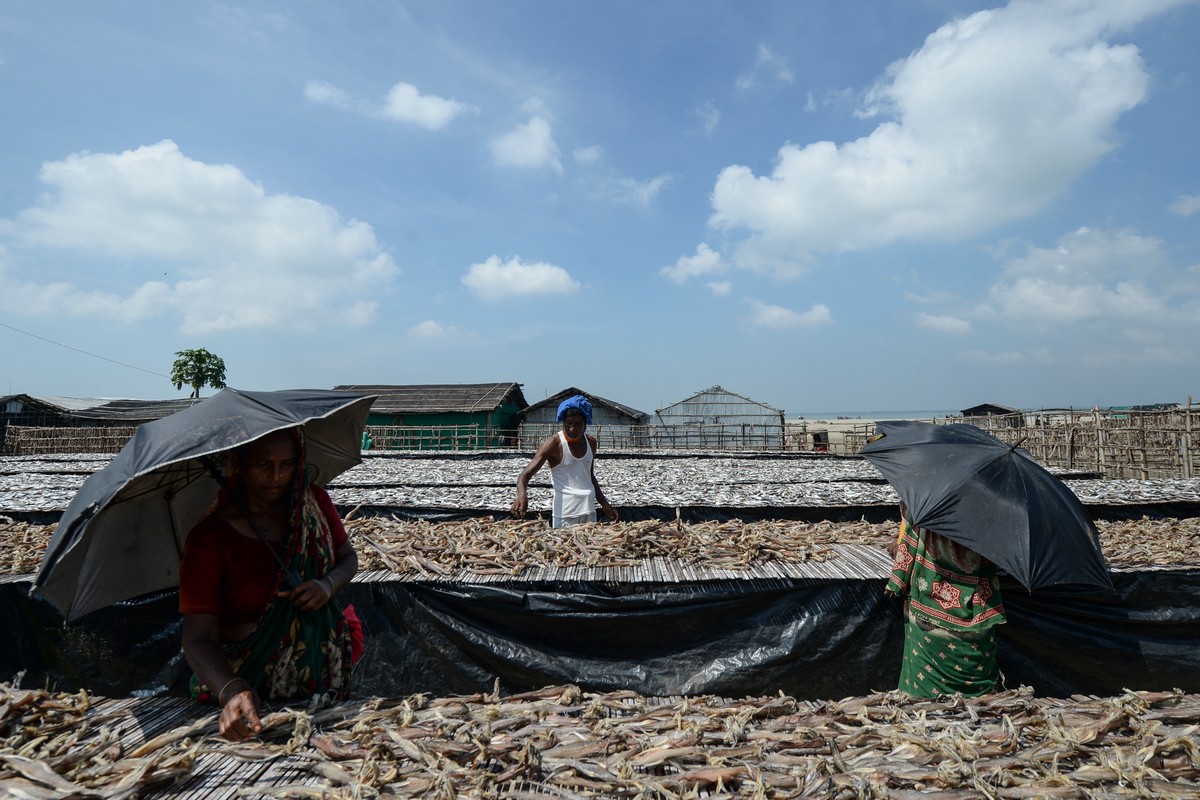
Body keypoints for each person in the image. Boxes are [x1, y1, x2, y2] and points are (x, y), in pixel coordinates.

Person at [178, 428, 363, 741]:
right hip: (247, 682)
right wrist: (232, 690)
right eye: (263, 465)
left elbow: (348, 558)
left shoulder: (313, 506)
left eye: (287, 464)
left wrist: (326, 585)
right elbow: (197, 638)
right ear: (238, 463)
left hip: (319, 682)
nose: (277, 476)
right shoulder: (210, 538)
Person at [885, 504, 1006, 697]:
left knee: (922, 703)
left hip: (928, 605)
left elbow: (905, 555)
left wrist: (899, 547)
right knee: (979, 706)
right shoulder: (990, 508)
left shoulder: (926, 502)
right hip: (979, 604)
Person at [510, 394, 618, 527]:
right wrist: (522, 495)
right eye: (569, 423)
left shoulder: (591, 443)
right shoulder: (553, 444)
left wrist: (604, 503)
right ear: (563, 422)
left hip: (589, 510)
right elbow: (525, 475)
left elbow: (589, 475)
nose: (572, 429)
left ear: (585, 425)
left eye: (578, 424)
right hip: (565, 514)